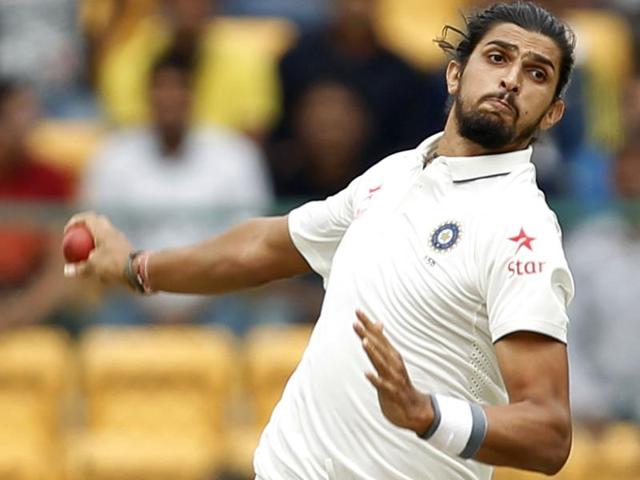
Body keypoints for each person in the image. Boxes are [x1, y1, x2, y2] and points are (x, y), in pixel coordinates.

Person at [65, 2, 577, 478]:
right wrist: (137, 267)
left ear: (552, 113)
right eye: (497, 57)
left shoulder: (522, 231)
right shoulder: (398, 172)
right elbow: (267, 247)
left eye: (537, 74)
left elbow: (550, 434)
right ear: (455, 73)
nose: (511, 79)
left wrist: (428, 414)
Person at [82, 50, 272, 326]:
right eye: (161, 88)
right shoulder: (113, 157)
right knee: (98, 325)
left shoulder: (235, 155)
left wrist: (199, 299)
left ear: (193, 95)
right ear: (147, 96)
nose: (169, 98)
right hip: (133, 304)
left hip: (218, 302)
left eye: (178, 88)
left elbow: (250, 244)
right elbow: (101, 245)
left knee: (266, 320)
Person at [271, 0, 447, 165]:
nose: (355, 8)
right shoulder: (296, 62)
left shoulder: (404, 76)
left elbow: (411, 149)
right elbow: (280, 132)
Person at [0, 80, 75, 330]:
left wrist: (17, 314)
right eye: (20, 112)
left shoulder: (51, 180)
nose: (32, 121)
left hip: (30, 300)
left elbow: (62, 270)